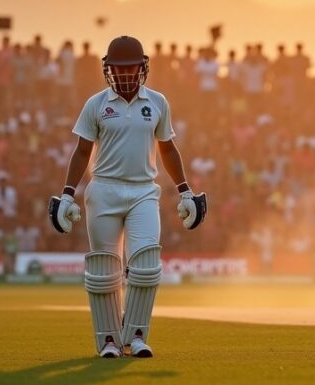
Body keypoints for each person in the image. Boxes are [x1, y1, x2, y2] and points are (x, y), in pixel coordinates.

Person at [51, 35, 207, 359]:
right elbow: (82, 152)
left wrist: (185, 190)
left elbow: (167, 149)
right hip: (103, 189)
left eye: (131, 67)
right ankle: (109, 340)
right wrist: (67, 193)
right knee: (106, 270)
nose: (125, 74)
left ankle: (136, 335)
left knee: (146, 264)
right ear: (109, 69)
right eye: (119, 68)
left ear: (143, 66)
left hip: (143, 191)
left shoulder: (158, 102)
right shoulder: (96, 104)